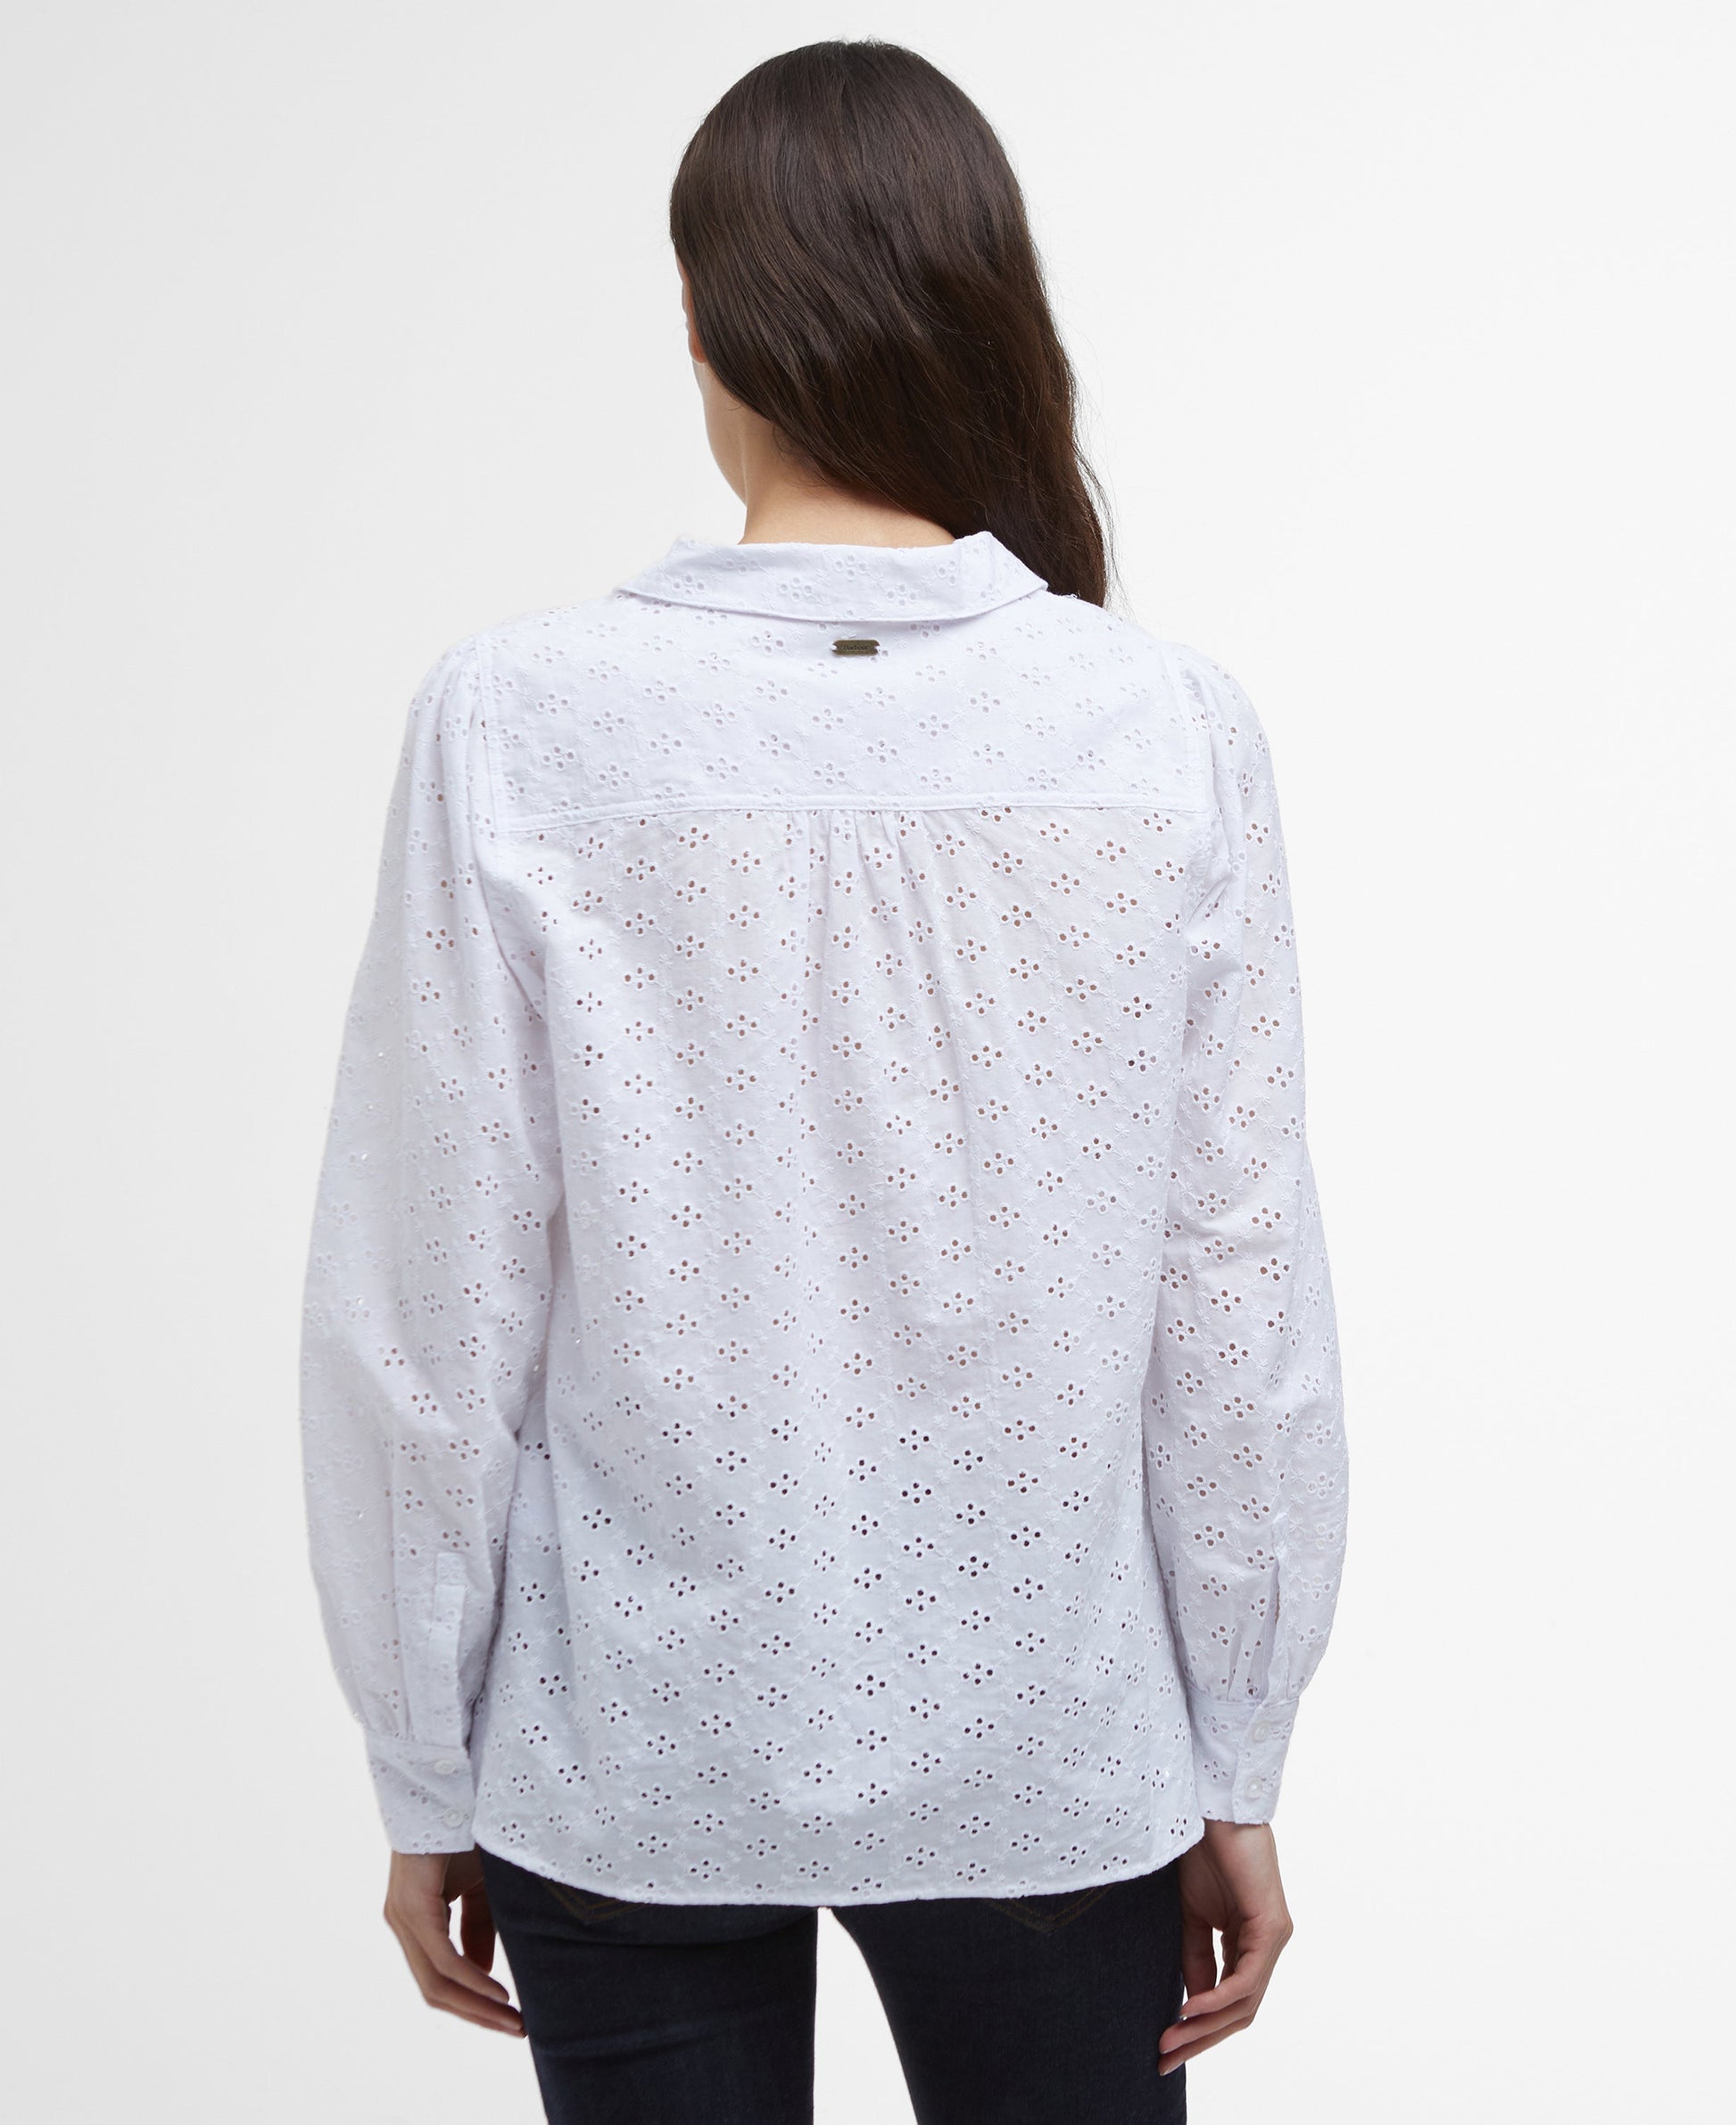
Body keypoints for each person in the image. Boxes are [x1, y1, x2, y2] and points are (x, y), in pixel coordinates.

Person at [301, 38, 1348, 2125]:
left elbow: (425, 1313)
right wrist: (1234, 1743)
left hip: (628, 1748)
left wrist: (423, 1757)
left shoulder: (517, 718)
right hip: (1052, 1741)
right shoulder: (1159, 726)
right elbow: (1235, 1309)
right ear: (987, 314)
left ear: (702, 326)